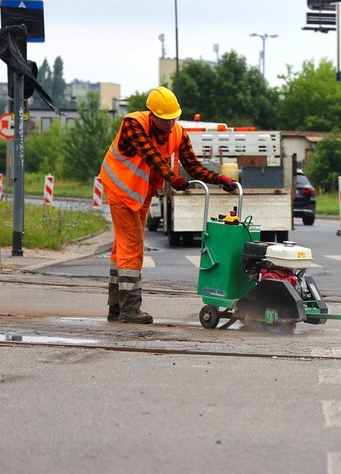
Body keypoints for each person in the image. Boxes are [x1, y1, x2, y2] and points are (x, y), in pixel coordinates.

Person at [99, 87, 237, 324]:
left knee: (121, 249)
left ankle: (116, 308)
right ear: (152, 115)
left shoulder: (178, 132)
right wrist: (172, 178)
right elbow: (151, 155)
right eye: (165, 119)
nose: (169, 124)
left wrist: (218, 179)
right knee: (132, 247)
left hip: (140, 194)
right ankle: (130, 309)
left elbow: (193, 165)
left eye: (173, 118)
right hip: (120, 190)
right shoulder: (133, 124)